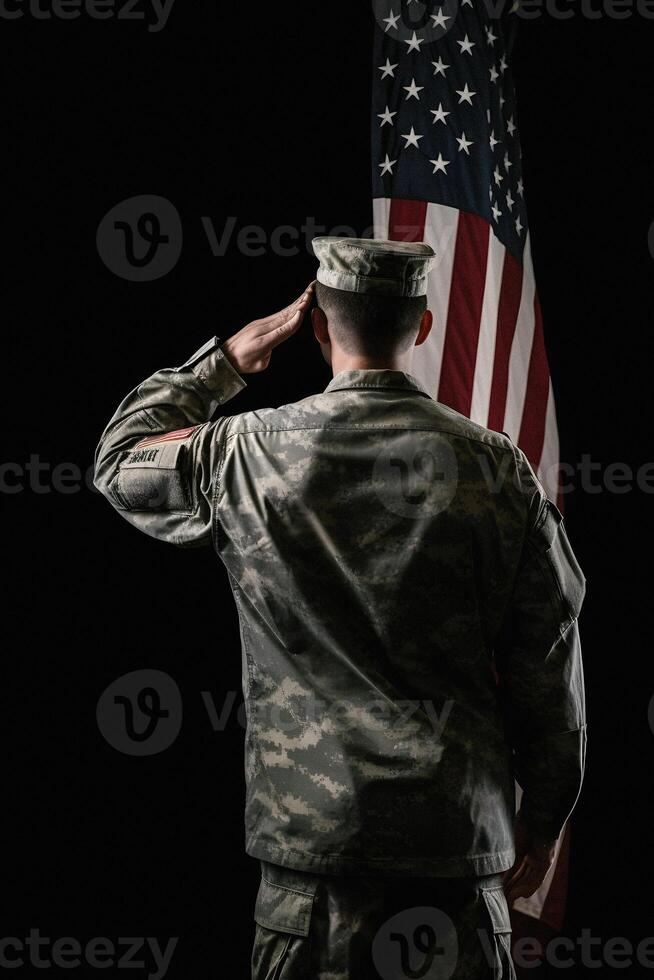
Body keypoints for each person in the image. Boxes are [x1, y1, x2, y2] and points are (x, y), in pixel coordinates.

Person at [94, 237, 586, 979]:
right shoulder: (496, 469)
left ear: (318, 326)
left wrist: (225, 361)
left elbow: (119, 462)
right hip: (454, 852)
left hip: (313, 866)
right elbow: (548, 659)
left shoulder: (244, 453)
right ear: (422, 327)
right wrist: (546, 819)